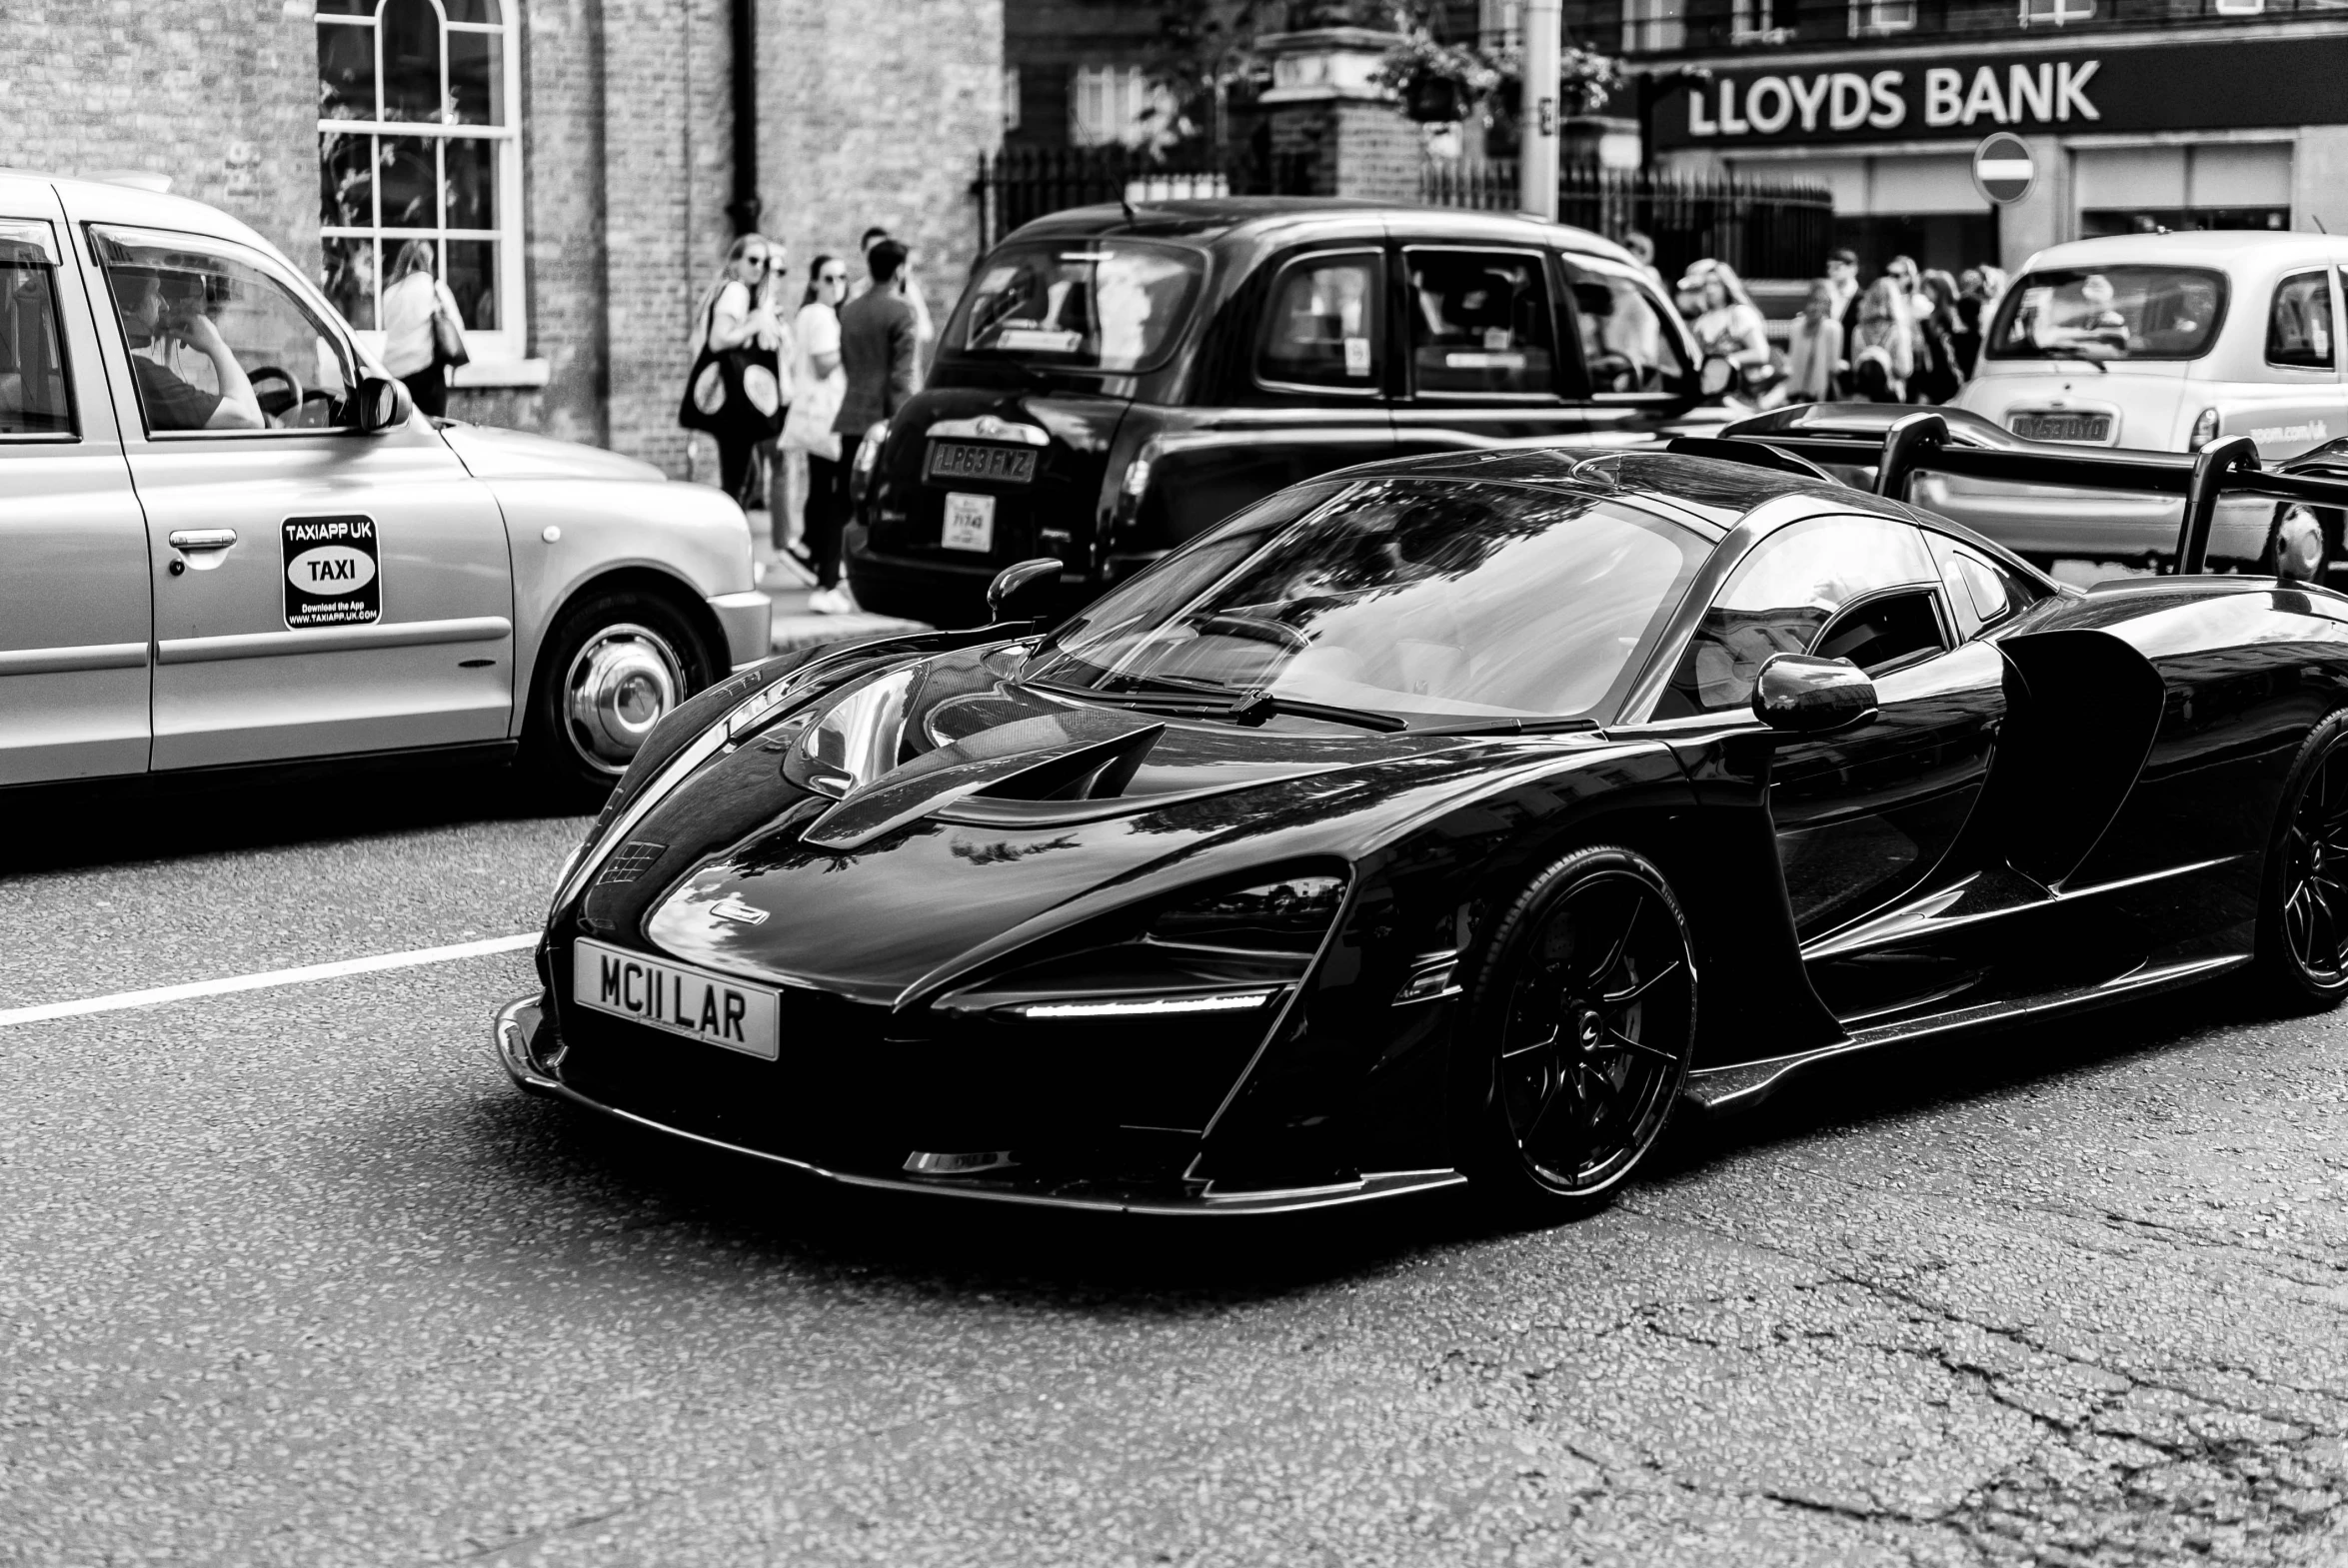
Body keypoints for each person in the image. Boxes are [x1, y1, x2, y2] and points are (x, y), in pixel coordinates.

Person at [824, 238, 920, 615]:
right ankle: (875, 577)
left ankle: (835, 575)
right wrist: (904, 422)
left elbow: (849, 363)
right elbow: (901, 377)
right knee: (885, 502)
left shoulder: (849, 310)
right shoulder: (902, 311)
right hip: (883, 418)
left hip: (850, 414)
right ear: (899, 270)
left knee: (847, 499)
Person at [690, 232, 789, 510]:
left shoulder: (723, 289)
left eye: (764, 262)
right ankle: (730, 547)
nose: (760, 267)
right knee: (737, 482)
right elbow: (718, 340)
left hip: (726, 395)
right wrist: (753, 325)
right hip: (735, 398)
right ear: (735, 262)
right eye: (753, 260)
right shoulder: (736, 291)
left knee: (743, 475)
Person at [112, 267, 261, 431]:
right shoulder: (141, 375)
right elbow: (250, 419)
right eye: (155, 293)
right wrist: (216, 345)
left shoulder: (114, 367)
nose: (165, 306)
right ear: (128, 307)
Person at [781, 254, 850, 590]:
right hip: (825, 416)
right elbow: (824, 364)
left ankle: (811, 553)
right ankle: (820, 560)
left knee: (821, 488)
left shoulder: (810, 313)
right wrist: (849, 344)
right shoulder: (822, 316)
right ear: (814, 282)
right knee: (833, 491)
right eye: (829, 278)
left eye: (841, 278)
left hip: (813, 414)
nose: (837, 285)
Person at [380, 239, 462, 419]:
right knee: (430, 436)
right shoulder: (433, 288)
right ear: (428, 260)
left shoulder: (389, 293)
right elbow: (457, 326)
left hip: (393, 376)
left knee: (401, 434)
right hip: (426, 375)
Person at [852, 226, 935, 375]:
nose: (879, 256)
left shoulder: (908, 291)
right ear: (864, 254)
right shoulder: (856, 293)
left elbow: (925, 331)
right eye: (874, 251)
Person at [1685, 263, 1775, 392]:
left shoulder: (1739, 314)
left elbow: (1761, 353)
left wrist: (1728, 361)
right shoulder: (1700, 322)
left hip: (1740, 392)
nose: (1710, 289)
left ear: (1726, 285)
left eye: (1716, 284)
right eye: (1706, 284)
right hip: (1711, 392)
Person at [1849, 276, 1915, 402]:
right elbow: (1905, 370)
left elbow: (1855, 367)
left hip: (1863, 399)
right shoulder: (1899, 331)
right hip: (1891, 398)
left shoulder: (1858, 330)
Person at [1781, 279, 1843, 403]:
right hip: (1820, 395)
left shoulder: (1795, 324)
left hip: (1794, 392)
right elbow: (1833, 367)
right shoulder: (1832, 327)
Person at [1911, 269, 1967, 403]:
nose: (1926, 294)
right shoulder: (1935, 318)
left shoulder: (1946, 318)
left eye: (1928, 290)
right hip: (1937, 375)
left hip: (1945, 376)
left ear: (1938, 291)